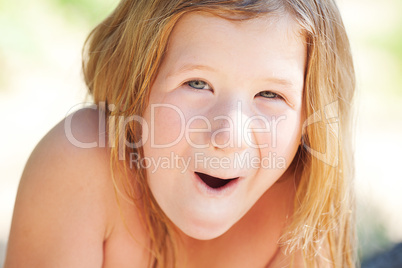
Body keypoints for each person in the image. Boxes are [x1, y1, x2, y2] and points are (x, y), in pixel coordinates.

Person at [4, 0, 356, 267]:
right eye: (197, 83)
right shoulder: (81, 164)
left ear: (308, 121)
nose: (229, 135)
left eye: (270, 95)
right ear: (136, 87)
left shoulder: (306, 200)